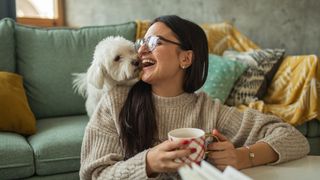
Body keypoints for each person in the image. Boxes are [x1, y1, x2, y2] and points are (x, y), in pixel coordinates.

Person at [79, 15, 309, 180]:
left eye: (154, 42)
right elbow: (93, 174)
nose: (141, 52)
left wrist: (242, 156)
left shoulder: (209, 110)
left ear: (186, 59)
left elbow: (292, 138)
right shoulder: (116, 102)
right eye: (141, 43)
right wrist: (147, 163)